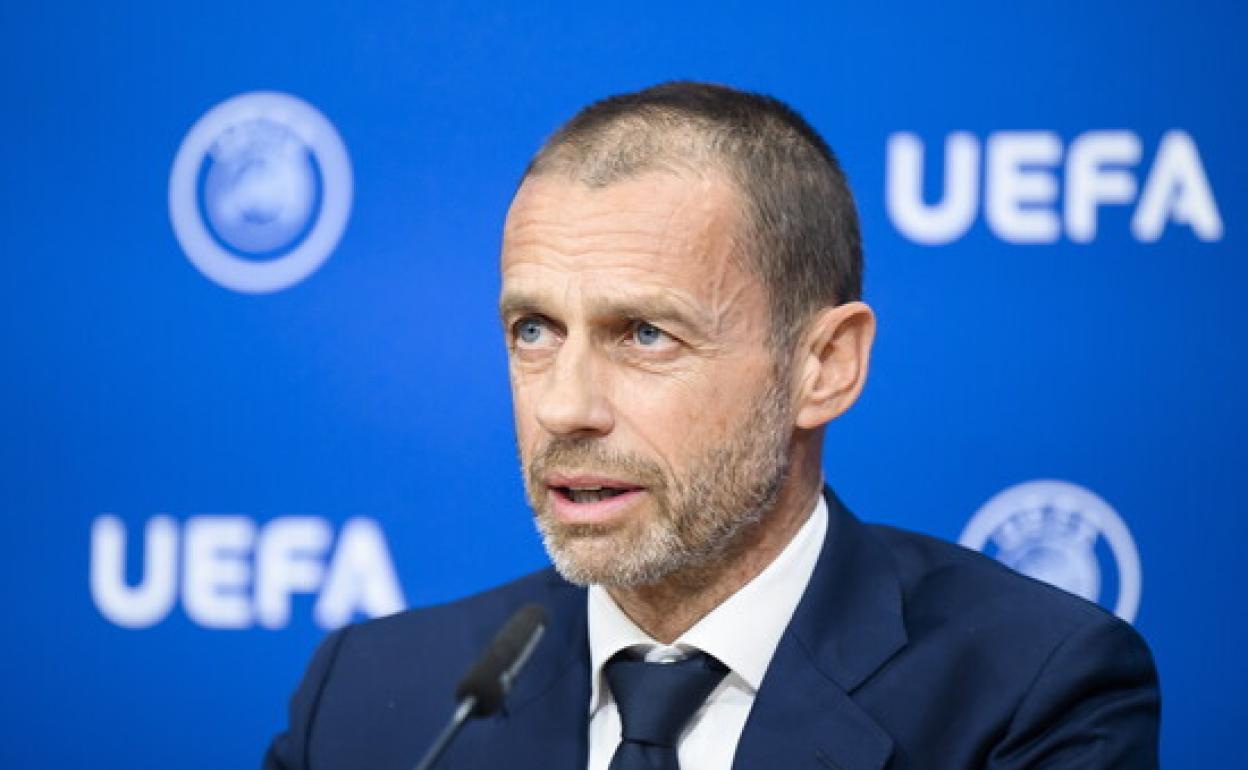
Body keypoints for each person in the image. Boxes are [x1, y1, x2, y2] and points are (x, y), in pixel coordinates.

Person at [264, 81, 1160, 770]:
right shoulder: (373, 700)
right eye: (534, 330)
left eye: (644, 334)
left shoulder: (1027, 695)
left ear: (824, 366)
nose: (563, 407)